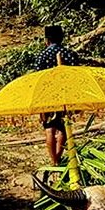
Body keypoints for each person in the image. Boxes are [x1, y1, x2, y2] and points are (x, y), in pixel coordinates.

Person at [35, 25, 81, 166]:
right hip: (65, 94)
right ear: (62, 38)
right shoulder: (70, 54)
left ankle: (53, 161)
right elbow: (76, 76)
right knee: (63, 128)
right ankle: (58, 158)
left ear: (46, 40)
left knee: (49, 129)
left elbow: (38, 79)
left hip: (47, 95)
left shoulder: (42, 56)